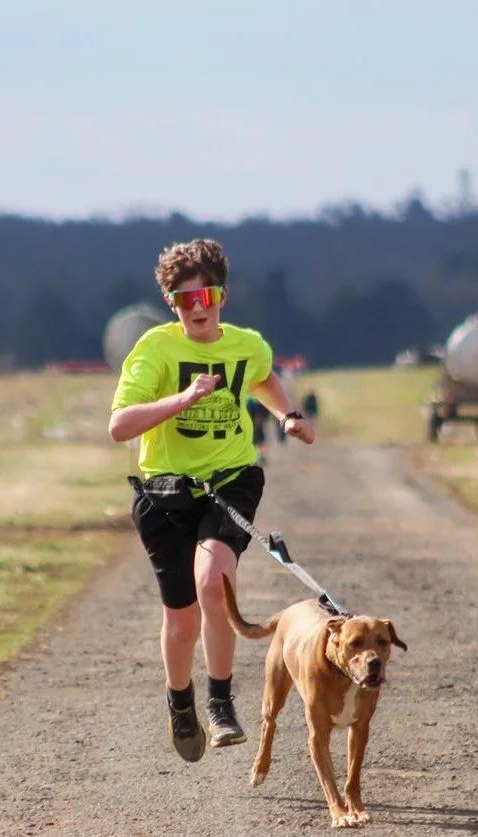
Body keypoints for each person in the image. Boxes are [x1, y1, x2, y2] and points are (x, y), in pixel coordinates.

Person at [108, 238, 315, 763]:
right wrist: (184, 399)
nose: (198, 308)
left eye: (208, 296)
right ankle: (182, 705)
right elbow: (119, 427)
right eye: (184, 300)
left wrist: (288, 414)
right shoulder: (154, 351)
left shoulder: (247, 345)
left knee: (213, 581)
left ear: (223, 295)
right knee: (181, 620)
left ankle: (221, 703)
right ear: (171, 304)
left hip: (231, 479)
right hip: (165, 492)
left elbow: (263, 379)